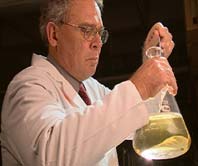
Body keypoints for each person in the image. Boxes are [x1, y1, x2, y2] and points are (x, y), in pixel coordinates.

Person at [0, 0, 177, 165]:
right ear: (54, 34)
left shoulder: (91, 89)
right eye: (86, 30)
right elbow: (52, 157)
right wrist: (139, 87)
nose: (98, 43)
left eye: (100, 33)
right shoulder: (27, 87)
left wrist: (150, 57)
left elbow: (139, 123)